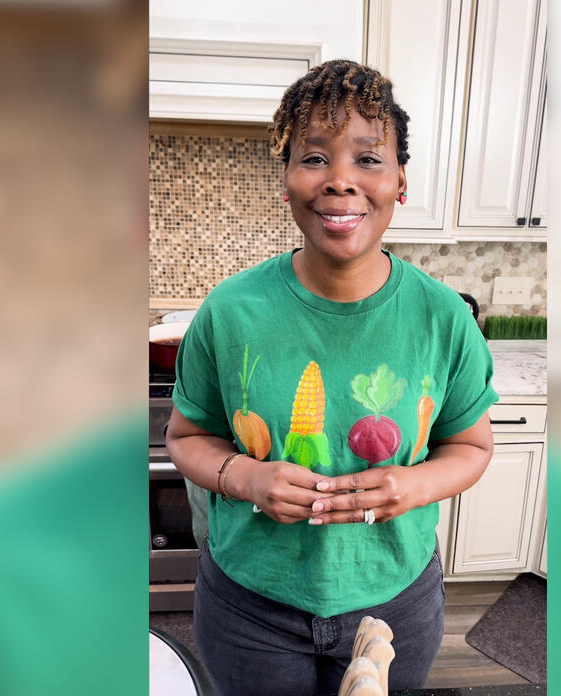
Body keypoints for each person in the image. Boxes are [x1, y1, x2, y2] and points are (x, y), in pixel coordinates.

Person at [166, 59, 498, 696]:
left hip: (393, 605)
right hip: (250, 609)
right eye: (314, 158)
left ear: (401, 181)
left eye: (368, 159)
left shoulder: (443, 318)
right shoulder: (230, 311)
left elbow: (473, 447)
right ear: (286, 181)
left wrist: (414, 484)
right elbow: (186, 437)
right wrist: (247, 476)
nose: (340, 180)